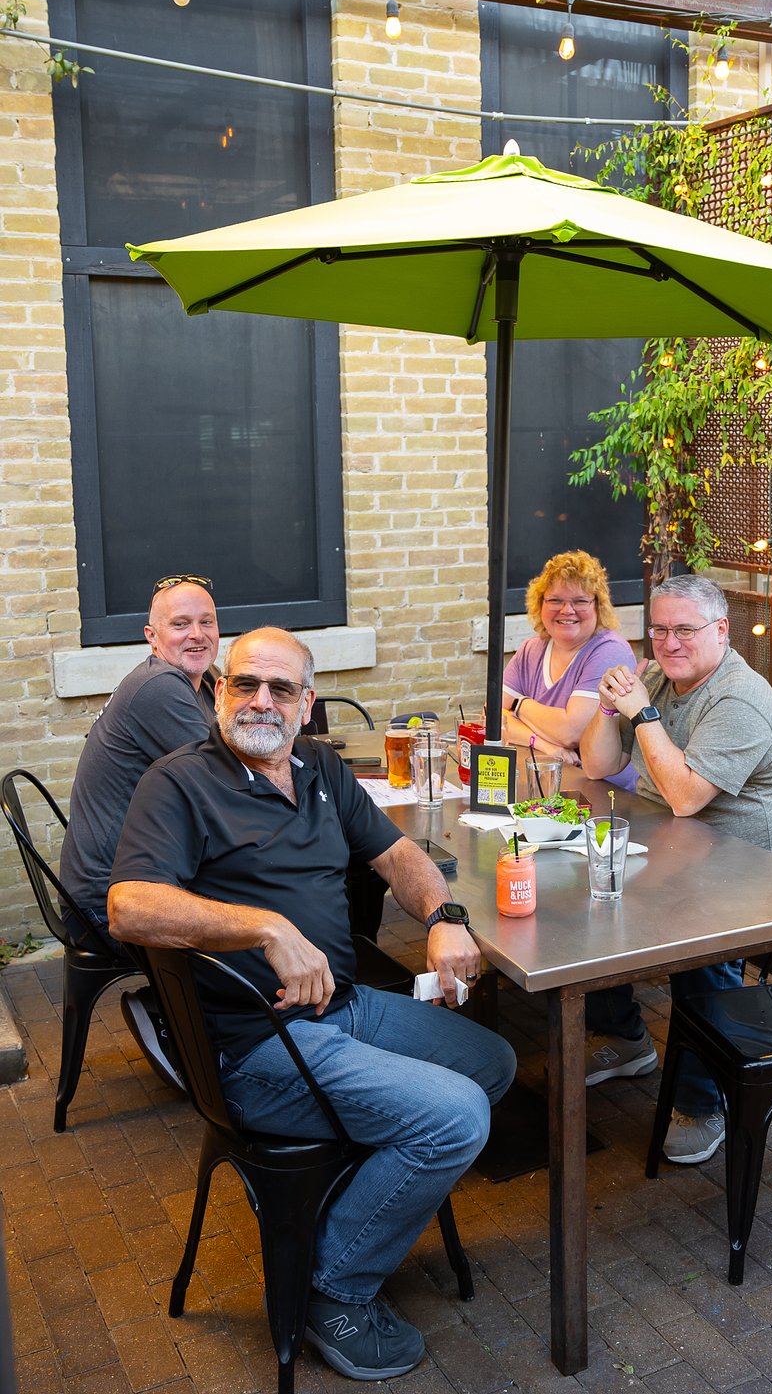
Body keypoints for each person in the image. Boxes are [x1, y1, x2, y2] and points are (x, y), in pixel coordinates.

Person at [108, 626, 516, 1383]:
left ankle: (354, 1200)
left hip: (342, 1007)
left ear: (307, 702)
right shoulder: (180, 781)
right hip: (257, 1045)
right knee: (455, 1116)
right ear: (219, 691)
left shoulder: (321, 766)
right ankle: (331, 1287)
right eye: (245, 684)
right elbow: (128, 906)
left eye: (281, 688)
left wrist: (443, 917)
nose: (261, 701)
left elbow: (397, 854)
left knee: (492, 1062)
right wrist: (267, 927)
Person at [580, 574, 772, 1165]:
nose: (669, 643)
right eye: (659, 629)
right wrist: (608, 706)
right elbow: (597, 764)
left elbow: (684, 797)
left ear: (721, 631)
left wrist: (642, 711)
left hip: (764, 869)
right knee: (591, 888)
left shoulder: (738, 699)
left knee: (695, 934)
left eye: (685, 630)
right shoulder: (661, 677)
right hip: (682, 847)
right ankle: (625, 1036)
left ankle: (704, 1102)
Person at [501, 551, 654, 1088]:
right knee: (526, 866)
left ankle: (620, 1029)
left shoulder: (608, 650)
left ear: (598, 605)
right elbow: (495, 713)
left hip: (616, 801)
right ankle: (550, 982)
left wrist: (523, 711)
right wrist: (542, 737)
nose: (567, 610)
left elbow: (574, 730)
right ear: (539, 604)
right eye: (556, 600)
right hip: (559, 787)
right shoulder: (532, 648)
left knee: (581, 896)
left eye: (580, 601)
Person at [59, 574, 219, 1072]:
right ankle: (187, 1027)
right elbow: (230, 783)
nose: (197, 634)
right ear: (152, 636)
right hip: (107, 901)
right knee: (260, 901)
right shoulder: (159, 688)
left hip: (131, 875)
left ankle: (177, 1010)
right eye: (180, 624)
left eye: (207, 622)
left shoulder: (199, 682)